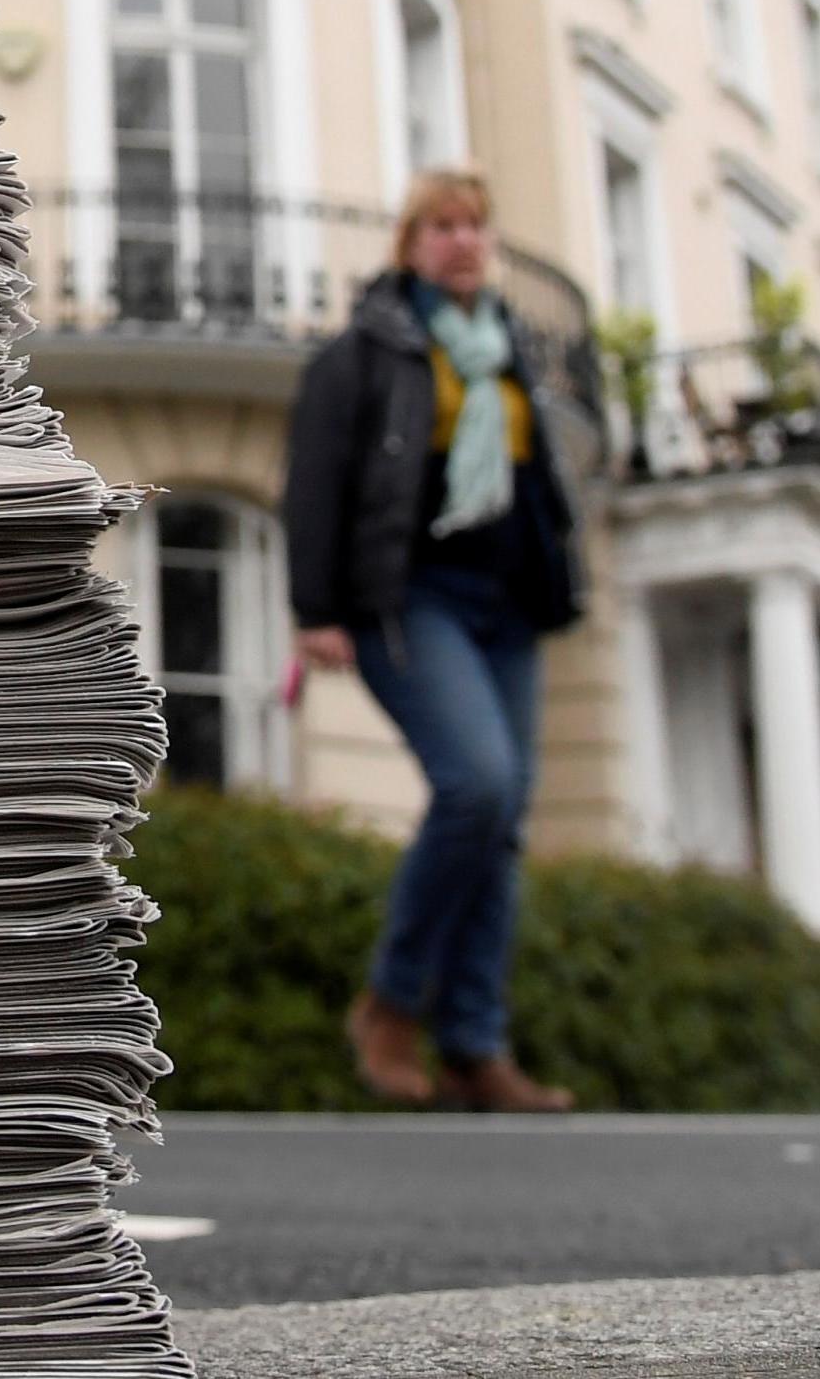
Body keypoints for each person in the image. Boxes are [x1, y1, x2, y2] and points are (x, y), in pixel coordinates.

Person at [282, 168, 584, 1113]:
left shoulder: (504, 350)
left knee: (500, 827)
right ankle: (391, 1000)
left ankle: (474, 1045)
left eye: (475, 225)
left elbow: (539, 486)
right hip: (411, 598)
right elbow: (315, 481)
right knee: (476, 784)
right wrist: (316, 608)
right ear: (410, 244)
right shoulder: (365, 352)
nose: (462, 240)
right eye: (441, 226)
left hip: (508, 605)